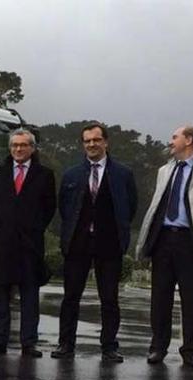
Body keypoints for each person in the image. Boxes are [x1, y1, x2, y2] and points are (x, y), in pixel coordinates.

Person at [136, 126, 193, 367]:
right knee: (160, 296)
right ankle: (158, 346)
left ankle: (190, 350)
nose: (170, 141)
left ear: (189, 140)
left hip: (192, 241)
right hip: (164, 239)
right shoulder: (164, 171)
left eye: (175, 137)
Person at [53, 123, 138, 362]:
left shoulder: (123, 174)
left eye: (96, 140)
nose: (91, 144)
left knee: (109, 299)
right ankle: (65, 344)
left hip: (109, 244)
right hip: (77, 243)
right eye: (87, 141)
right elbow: (65, 207)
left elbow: (129, 207)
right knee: (71, 297)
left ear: (106, 142)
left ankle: (109, 346)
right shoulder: (71, 174)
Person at [0, 129, 56, 357]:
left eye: (23, 145)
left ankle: (28, 342)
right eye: (14, 145)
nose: (18, 149)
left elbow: (49, 208)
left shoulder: (44, 175)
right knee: (0, 293)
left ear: (32, 148)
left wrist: (32, 228)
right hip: (3, 242)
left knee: (30, 294)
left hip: (30, 244)